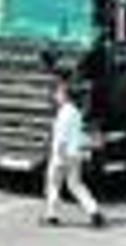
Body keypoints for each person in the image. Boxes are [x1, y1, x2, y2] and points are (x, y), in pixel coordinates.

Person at [43, 78, 105, 229]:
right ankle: (94, 211)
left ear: (64, 95)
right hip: (75, 154)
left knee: (53, 184)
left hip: (62, 154)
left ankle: (52, 215)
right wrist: (92, 143)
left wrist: (59, 154)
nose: (55, 96)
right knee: (75, 185)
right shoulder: (76, 112)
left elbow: (62, 137)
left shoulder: (64, 113)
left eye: (57, 93)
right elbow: (78, 134)